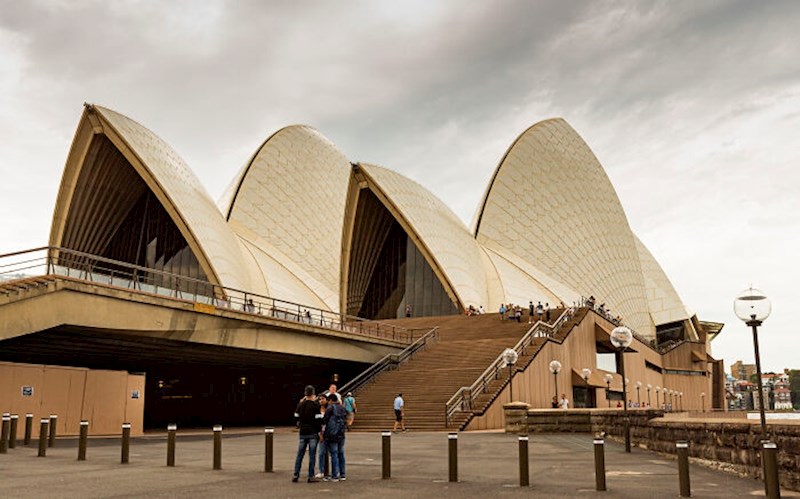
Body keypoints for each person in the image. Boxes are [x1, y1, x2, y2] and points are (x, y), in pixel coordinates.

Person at [293, 385, 323, 483]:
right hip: (313, 432)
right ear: (313, 394)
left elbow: (296, 416)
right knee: (312, 455)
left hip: (303, 432)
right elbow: (319, 420)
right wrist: (320, 432)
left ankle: (296, 474)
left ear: (305, 394)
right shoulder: (316, 405)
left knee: (300, 454)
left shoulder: (301, 404)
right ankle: (310, 476)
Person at [322, 393, 347, 481]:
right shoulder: (342, 408)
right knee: (341, 453)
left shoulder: (330, 408)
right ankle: (342, 474)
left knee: (334, 454)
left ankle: (334, 475)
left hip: (332, 434)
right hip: (341, 433)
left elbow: (325, 420)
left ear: (330, 400)